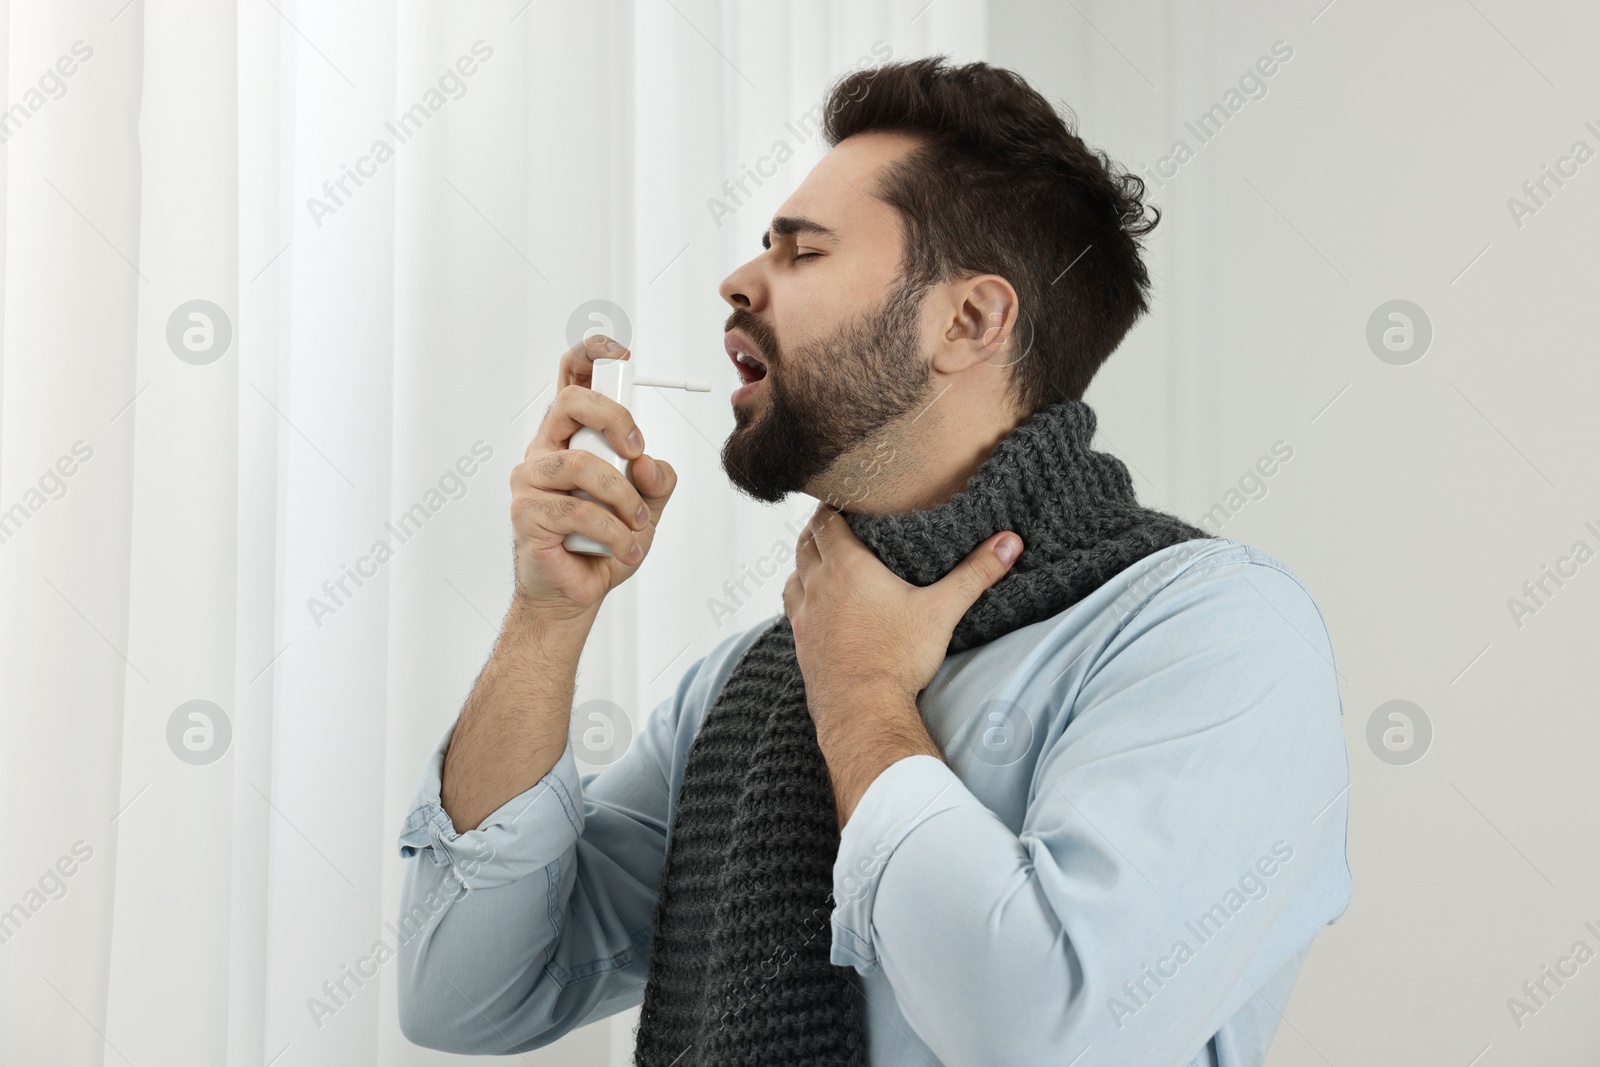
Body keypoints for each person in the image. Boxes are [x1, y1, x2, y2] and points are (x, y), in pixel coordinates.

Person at [396, 56, 1351, 1067]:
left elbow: (1045, 1031)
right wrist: (546, 621)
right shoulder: (743, 689)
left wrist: (859, 698)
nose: (736, 280)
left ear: (969, 320)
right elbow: (462, 993)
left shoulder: (1213, 631)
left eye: (801, 252)